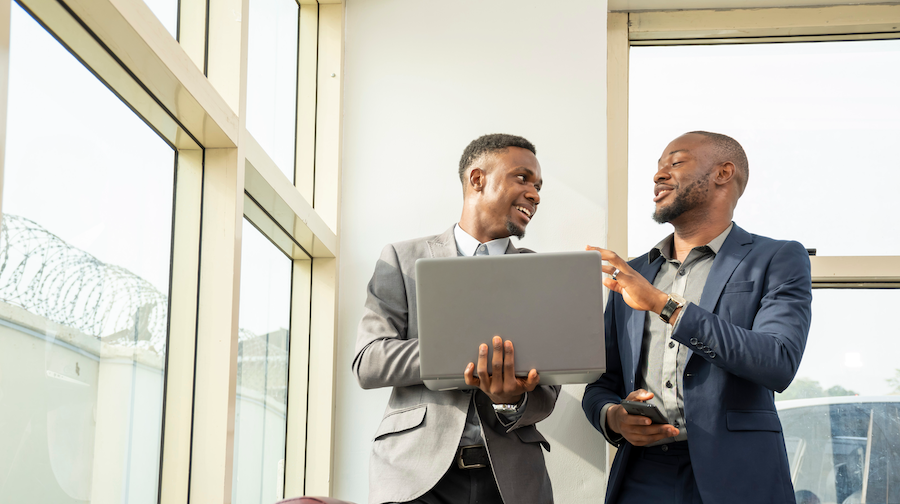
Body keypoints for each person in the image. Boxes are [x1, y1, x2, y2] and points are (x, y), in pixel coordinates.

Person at [582, 131, 813, 504]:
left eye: (674, 163)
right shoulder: (635, 272)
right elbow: (601, 383)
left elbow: (778, 361)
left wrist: (664, 305)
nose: (658, 175)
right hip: (642, 475)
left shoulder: (777, 258)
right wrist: (613, 417)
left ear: (723, 173)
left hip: (739, 475)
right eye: (657, 168)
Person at [353, 133, 560, 504]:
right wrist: (467, 349)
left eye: (539, 186)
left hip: (512, 484)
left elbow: (548, 392)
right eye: (523, 178)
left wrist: (511, 400)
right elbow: (369, 361)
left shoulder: (541, 272)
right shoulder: (403, 260)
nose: (535, 194)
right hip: (415, 479)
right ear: (477, 179)